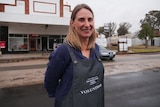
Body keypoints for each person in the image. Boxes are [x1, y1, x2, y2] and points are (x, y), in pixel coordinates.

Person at [44, 3, 104, 107]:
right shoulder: (64, 51)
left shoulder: (96, 48)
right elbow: (50, 83)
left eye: (90, 19)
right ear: (72, 23)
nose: (87, 24)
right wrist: (64, 97)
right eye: (81, 19)